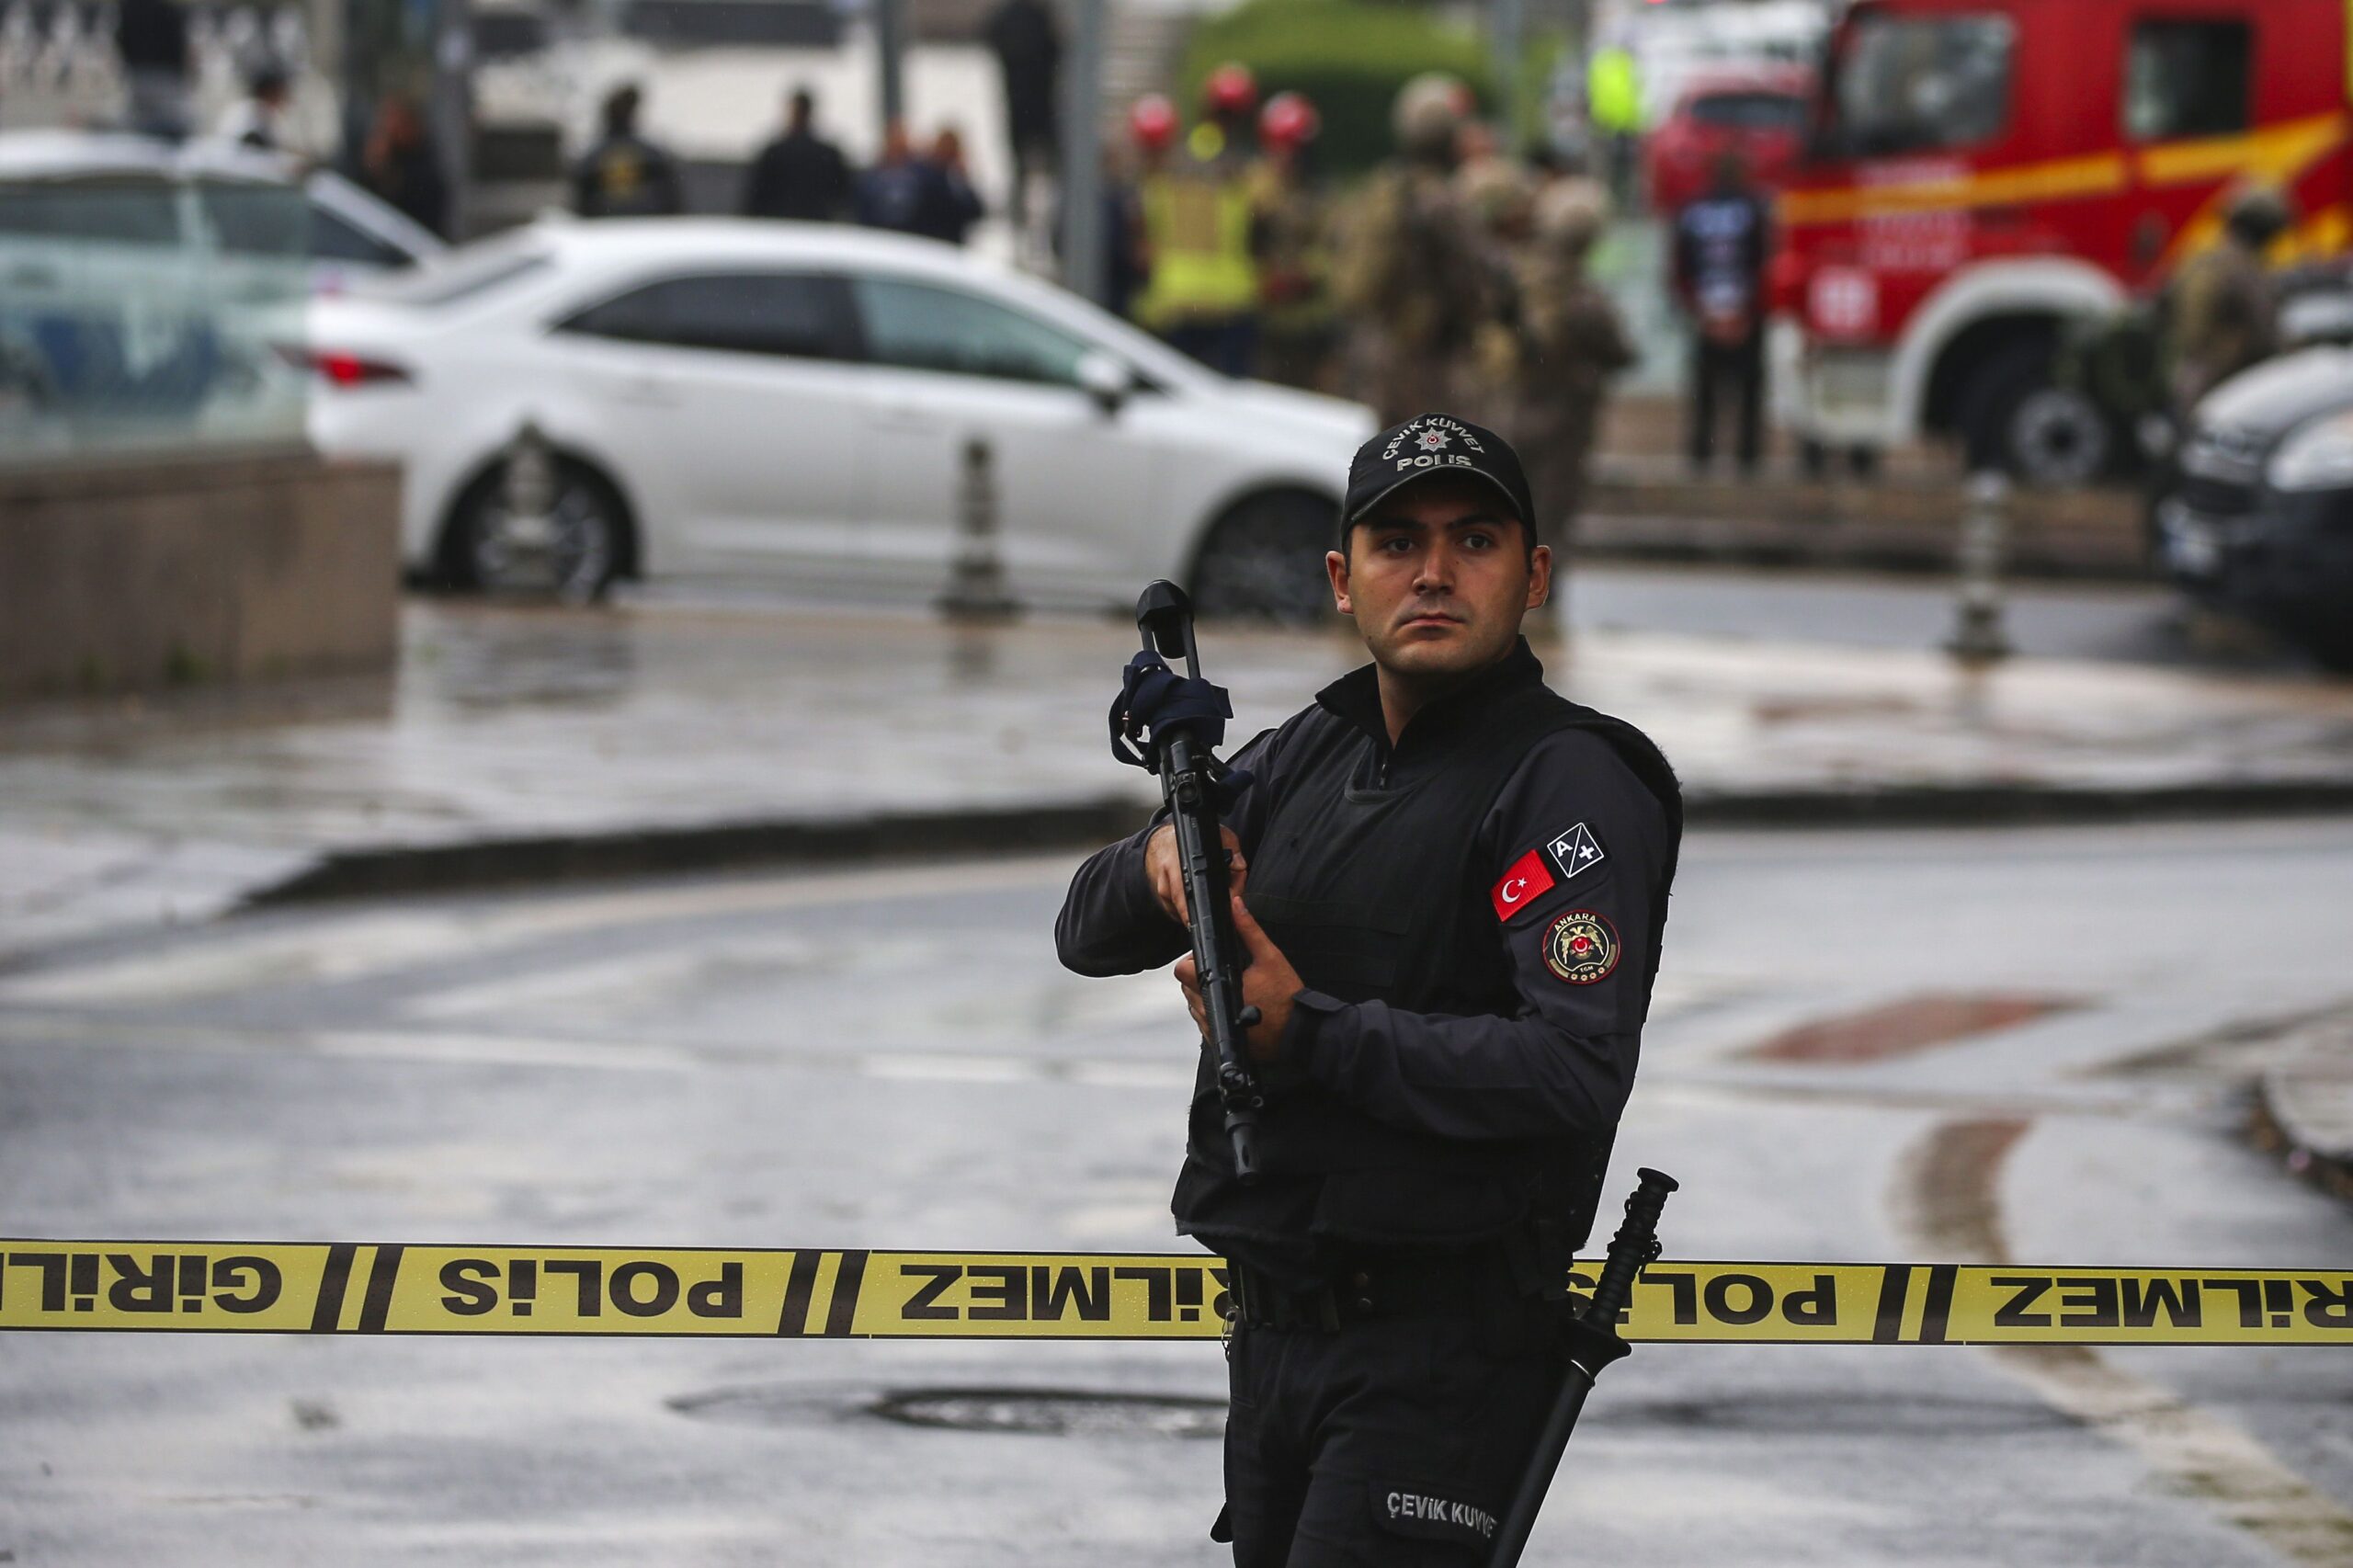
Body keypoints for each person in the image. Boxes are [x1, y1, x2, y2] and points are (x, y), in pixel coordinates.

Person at [1058, 410, 1682, 1568]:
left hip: (1440, 1352)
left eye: (1474, 541)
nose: (1434, 572)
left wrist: (1314, 1029)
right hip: (1277, 1335)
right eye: (1397, 542)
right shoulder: (1310, 751)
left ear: (1532, 573)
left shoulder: (1565, 782)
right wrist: (1156, 862)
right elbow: (1083, 935)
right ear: (1343, 580)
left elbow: (1571, 1066)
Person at [1331, 74, 1496, 423]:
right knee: (1434, 456)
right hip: (1427, 357)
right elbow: (1476, 272)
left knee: (1386, 456)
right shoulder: (1441, 199)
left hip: (1375, 348)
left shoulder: (1381, 187)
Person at [1506, 180, 1635, 551]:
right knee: (1550, 519)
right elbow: (1621, 352)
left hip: (1509, 414)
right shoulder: (1585, 299)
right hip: (1564, 420)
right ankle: (1543, 600)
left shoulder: (1519, 281)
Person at [1134, 63, 1266, 377]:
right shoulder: (1242, 169)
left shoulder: (1175, 164)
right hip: (1230, 302)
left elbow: (1146, 218)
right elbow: (1263, 215)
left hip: (1176, 297)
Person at [1671, 150, 1770, 474]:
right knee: (1749, 389)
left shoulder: (1692, 209)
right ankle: (1747, 456)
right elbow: (1765, 261)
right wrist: (1753, 309)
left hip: (1706, 310)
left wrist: (1695, 307)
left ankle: (1701, 454)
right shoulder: (1756, 209)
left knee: (1706, 390)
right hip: (1745, 312)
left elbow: (1680, 263)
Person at [2167, 185, 2294, 418]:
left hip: (2188, 387)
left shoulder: (2200, 263)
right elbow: (2266, 336)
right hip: (2228, 393)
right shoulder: (2245, 271)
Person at [1249, 91, 1336, 391]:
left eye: (1296, 149)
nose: (1288, 157)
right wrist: (1262, 280)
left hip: (1310, 327)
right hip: (1264, 326)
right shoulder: (1252, 188)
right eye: (1281, 147)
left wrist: (1305, 276)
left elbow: (1333, 249)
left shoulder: (1320, 194)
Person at [983, 0, 1060, 237]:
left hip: (1019, 102)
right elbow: (1057, 51)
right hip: (1040, 102)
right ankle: (1040, 222)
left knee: (1021, 166)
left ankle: (1022, 222)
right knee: (1046, 165)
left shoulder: (1009, 16)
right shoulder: (1039, 16)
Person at [573, 85, 684, 219]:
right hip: (647, 229)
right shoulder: (653, 155)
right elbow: (672, 201)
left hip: (606, 230)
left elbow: (580, 204)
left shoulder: (591, 159)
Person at [741, 87, 850, 222]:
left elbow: (755, 198)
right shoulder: (826, 154)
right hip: (815, 226)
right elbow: (842, 197)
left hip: (781, 225)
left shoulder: (775, 152)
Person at [358, 91, 450, 238]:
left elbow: (410, 197)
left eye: (395, 121)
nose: (389, 128)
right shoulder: (389, 156)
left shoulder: (424, 163)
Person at [114, 0, 191, 141]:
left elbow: (121, 40)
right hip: (161, 79)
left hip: (146, 77)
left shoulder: (129, 9)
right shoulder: (169, 11)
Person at [853, 119, 938, 234]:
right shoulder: (872, 176)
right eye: (894, 141)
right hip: (879, 233)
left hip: (914, 235)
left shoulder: (921, 174)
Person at [915, 127, 986, 245]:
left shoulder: (955, 179)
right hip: (928, 243)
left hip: (951, 245)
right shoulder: (925, 175)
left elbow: (976, 210)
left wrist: (962, 179)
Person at [213, 62, 291, 153]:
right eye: (279, 93)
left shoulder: (246, 109)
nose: (283, 99)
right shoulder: (253, 111)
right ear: (269, 92)